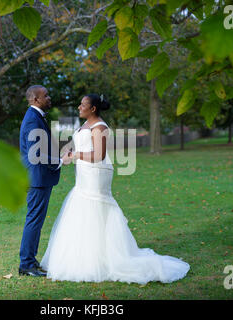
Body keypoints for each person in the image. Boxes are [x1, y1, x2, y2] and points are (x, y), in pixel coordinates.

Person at [40, 94, 190, 284]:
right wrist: (69, 154)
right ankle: (87, 255)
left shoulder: (100, 127)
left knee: (94, 208)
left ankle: (102, 259)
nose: (79, 107)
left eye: (83, 105)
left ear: (93, 108)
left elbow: (99, 154)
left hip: (96, 173)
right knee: (81, 208)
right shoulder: (85, 125)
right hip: (84, 172)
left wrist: (75, 154)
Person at [18, 85, 72, 277]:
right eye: (45, 95)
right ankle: (26, 265)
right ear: (35, 99)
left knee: (35, 220)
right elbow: (36, 154)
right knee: (34, 221)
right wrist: (60, 161)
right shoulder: (33, 119)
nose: (49, 97)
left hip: (38, 177)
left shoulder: (36, 116)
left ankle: (30, 261)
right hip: (37, 179)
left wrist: (59, 152)